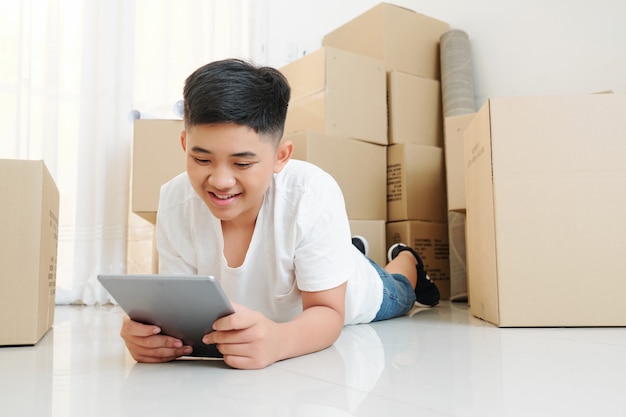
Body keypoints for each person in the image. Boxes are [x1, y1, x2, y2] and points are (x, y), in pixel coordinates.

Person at [120, 58, 440, 370]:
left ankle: (407, 259)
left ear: (281, 157)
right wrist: (154, 336)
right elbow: (182, 311)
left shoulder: (311, 193)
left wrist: (278, 341)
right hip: (306, 262)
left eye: (242, 164)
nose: (219, 181)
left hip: (358, 292)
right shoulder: (175, 200)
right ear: (184, 143)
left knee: (400, 291)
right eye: (202, 159)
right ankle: (338, 249)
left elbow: (329, 313)